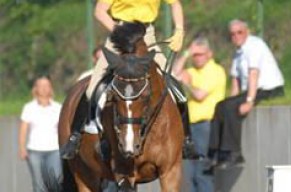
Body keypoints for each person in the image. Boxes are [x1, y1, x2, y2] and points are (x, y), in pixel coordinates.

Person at [60, 0, 195, 159]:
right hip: (119, 34)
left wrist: (179, 30)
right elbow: (99, 11)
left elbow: (175, 4)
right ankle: (75, 136)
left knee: (173, 84)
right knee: (93, 88)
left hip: (146, 36)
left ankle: (186, 139)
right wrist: (120, 32)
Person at [209, 19, 285, 168]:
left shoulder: (254, 45)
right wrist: (230, 101)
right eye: (232, 34)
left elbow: (253, 74)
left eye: (239, 32)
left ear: (247, 32)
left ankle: (234, 153)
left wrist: (249, 101)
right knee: (221, 106)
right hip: (253, 88)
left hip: (268, 89)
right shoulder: (239, 52)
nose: (236, 36)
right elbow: (236, 81)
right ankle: (215, 152)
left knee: (232, 108)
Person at [174, 34, 226, 192]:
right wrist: (187, 52)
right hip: (191, 126)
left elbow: (200, 95)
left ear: (209, 54)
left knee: (202, 171)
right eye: (195, 55)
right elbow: (174, 73)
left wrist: (187, 82)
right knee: (191, 173)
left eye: (200, 54)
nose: (198, 58)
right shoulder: (193, 70)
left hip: (207, 125)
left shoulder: (215, 71)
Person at [18, 76, 62, 192]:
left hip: (54, 151)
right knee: (40, 188)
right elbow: (23, 129)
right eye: (40, 86)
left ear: (51, 88)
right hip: (35, 151)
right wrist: (22, 148)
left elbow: (62, 130)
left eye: (47, 85)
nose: (44, 88)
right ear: (35, 89)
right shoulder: (29, 107)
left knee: (55, 186)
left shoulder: (57, 107)